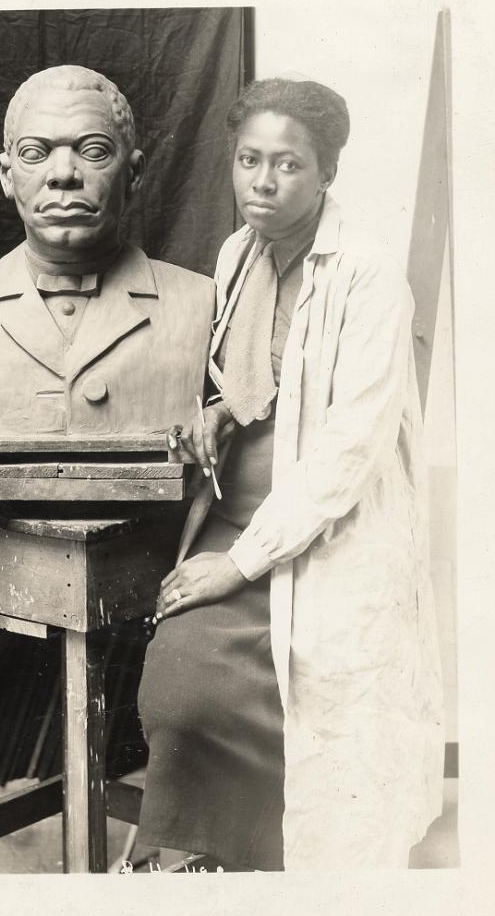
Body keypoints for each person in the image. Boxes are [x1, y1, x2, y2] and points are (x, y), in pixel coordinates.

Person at [137, 77, 444, 870]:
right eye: (249, 161)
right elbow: (257, 379)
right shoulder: (237, 254)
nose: (263, 183)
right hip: (236, 518)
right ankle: (208, 854)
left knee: (324, 712)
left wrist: (236, 566)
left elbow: (349, 445)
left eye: (288, 165)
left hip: (331, 536)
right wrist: (218, 411)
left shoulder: (367, 278)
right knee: (177, 692)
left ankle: (286, 882)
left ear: (325, 174)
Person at [0, 65, 214, 438]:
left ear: (133, 174)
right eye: (35, 153)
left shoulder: (196, 298)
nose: (63, 173)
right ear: (6, 175)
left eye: (93, 151)